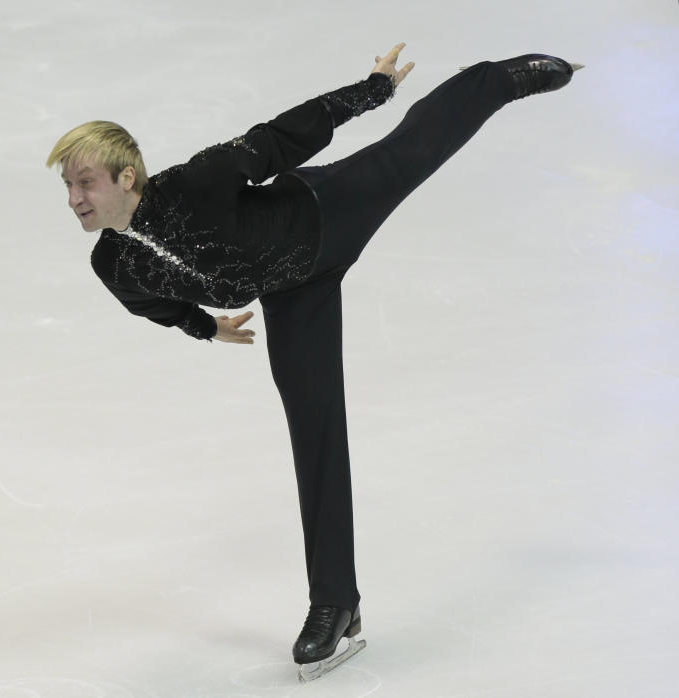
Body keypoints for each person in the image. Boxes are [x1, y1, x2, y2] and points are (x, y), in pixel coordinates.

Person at [46, 44, 581, 681]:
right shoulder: (113, 264)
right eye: (69, 186)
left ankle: (499, 78)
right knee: (315, 434)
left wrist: (372, 89)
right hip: (296, 295)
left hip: (328, 215)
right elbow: (148, 304)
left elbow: (281, 138)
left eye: (85, 183)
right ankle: (336, 603)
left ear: (125, 178)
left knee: (413, 149)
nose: (75, 198)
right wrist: (203, 324)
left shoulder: (197, 183)